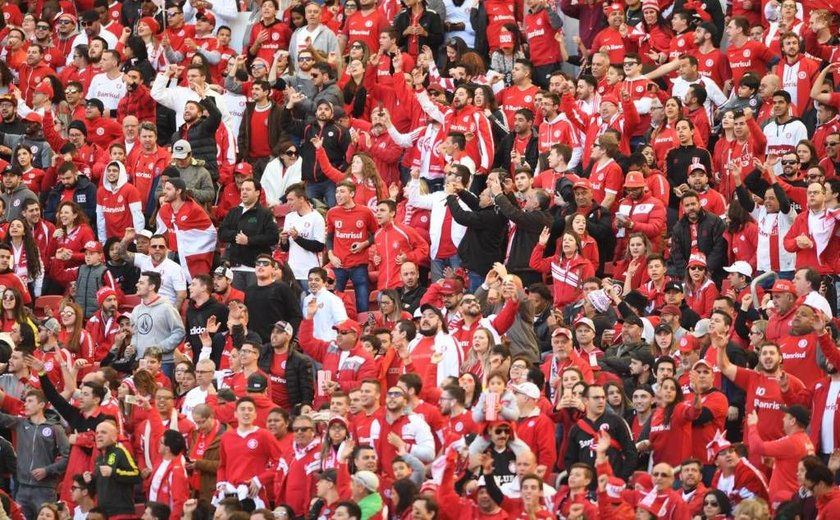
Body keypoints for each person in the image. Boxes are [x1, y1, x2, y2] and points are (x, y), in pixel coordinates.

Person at [0, 389, 69, 520]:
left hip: (45, 490)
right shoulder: (20, 423)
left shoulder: (55, 428)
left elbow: (68, 457)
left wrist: (47, 470)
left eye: (30, 401)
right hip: (22, 488)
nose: (25, 404)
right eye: (25, 401)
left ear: (41, 405)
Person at [218, 177, 279, 290]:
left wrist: (249, 240)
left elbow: (273, 237)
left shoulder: (265, 213)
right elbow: (222, 233)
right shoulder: (233, 212)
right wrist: (236, 235)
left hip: (256, 267)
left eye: (248, 189)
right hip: (235, 267)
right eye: (242, 190)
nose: (244, 192)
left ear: (257, 193)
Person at [129, 271, 186, 373]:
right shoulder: (136, 310)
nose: (137, 285)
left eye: (141, 283)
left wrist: (159, 348)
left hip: (163, 363)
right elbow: (135, 334)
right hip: (141, 362)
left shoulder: (167, 307)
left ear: (151, 287)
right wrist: (132, 347)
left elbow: (179, 332)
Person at [84, 419, 142, 518]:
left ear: (114, 437)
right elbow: (102, 486)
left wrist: (114, 472)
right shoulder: (99, 458)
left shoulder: (121, 452)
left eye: (103, 432)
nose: (98, 435)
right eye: (97, 432)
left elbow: (136, 475)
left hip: (121, 513)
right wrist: (90, 480)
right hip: (103, 514)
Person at [243, 254, 302, 343]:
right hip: (253, 343)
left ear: (273, 269)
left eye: (265, 263)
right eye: (258, 263)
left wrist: (287, 337)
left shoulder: (282, 288)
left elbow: (296, 315)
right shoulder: (249, 290)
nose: (261, 266)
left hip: (276, 343)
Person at [257, 319, 314, 412]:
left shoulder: (301, 360)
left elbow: (307, 390)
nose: (274, 335)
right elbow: (246, 348)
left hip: (288, 412)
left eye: (279, 332)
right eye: (273, 332)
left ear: (288, 336)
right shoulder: (264, 352)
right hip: (264, 407)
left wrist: (305, 405)